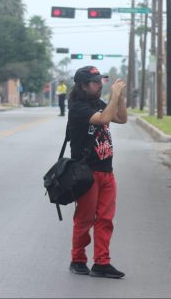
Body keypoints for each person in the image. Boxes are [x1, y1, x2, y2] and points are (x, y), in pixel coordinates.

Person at [67, 66, 127, 278]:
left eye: (100, 81)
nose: (99, 85)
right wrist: (114, 95)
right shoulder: (78, 108)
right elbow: (103, 120)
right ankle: (78, 259)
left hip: (106, 170)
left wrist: (119, 98)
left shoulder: (98, 104)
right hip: (86, 172)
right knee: (85, 219)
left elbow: (121, 118)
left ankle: (102, 262)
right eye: (95, 82)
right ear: (83, 86)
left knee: (105, 219)